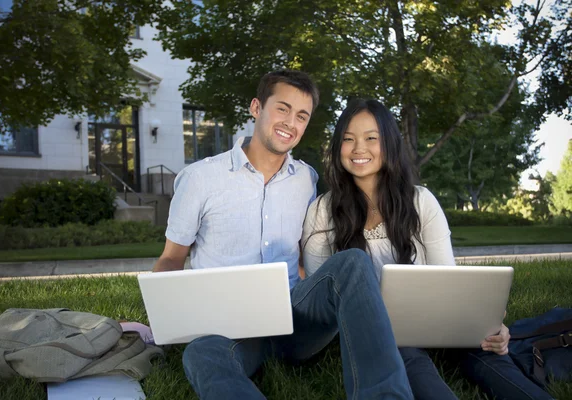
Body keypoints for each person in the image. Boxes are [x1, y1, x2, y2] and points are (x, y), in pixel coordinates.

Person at [153, 71, 414, 399]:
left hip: (294, 320)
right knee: (202, 354)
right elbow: (171, 258)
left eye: (301, 116)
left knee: (352, 263)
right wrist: (164, 319)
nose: (290, 122)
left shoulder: (306, 179)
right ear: (256, 107)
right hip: (226, 327)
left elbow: (306, 259)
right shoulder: (199, 178)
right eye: (282, 109)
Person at [301, 98, 555, 400]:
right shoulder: (322, 211)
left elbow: (448, 279)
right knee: (405, 354)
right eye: (348, 139)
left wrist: (487, 324)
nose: (359, 149)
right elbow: (321, 299)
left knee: (486, 350)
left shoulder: (420, 201)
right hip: (377, 333)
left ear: (390, 144)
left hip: (436, 321)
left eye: (371, 138)